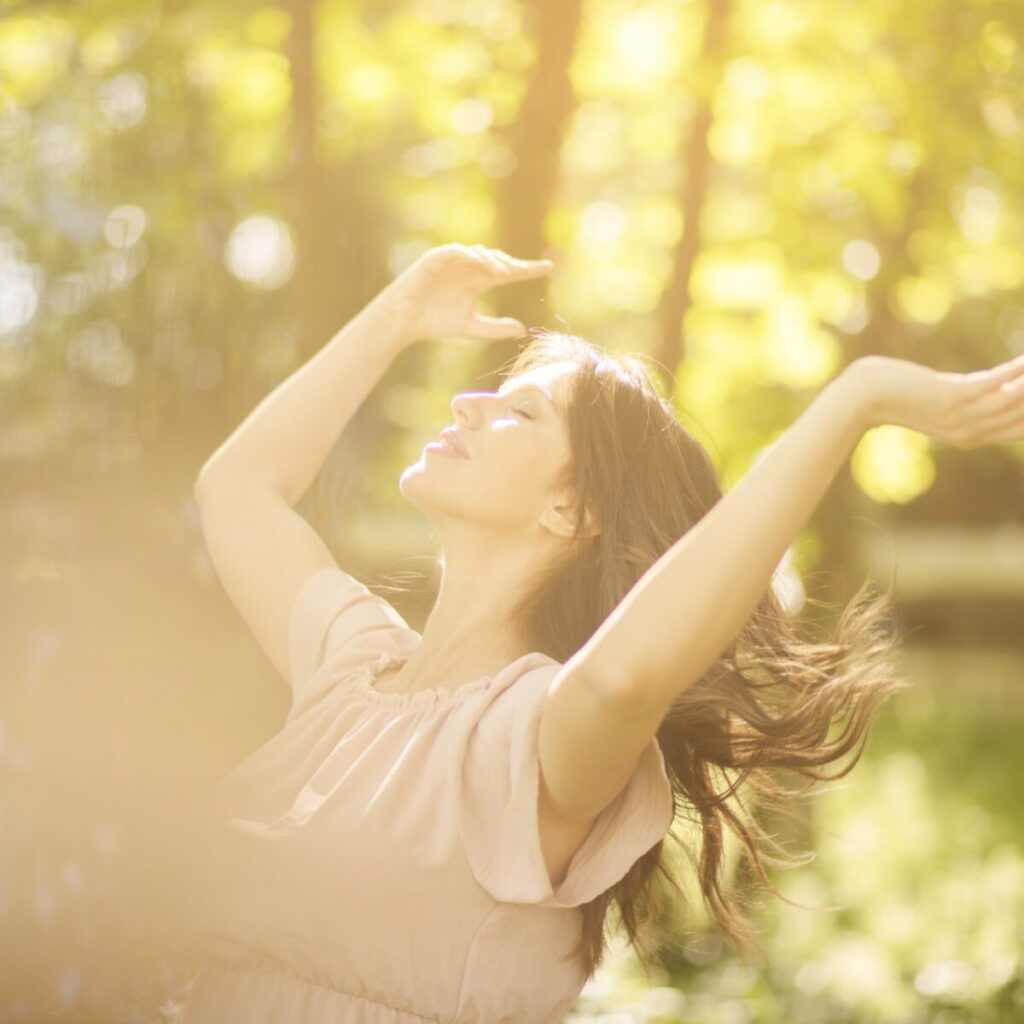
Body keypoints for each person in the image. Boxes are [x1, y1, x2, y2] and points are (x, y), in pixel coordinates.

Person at [174, 244, 1024, 1023]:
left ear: (572, 509)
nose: (467, 403)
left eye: (520, 411)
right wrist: (398, 313)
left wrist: (852, 403)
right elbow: (236, 489)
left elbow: (624, 678)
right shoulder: (354, 665)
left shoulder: (535, 735)